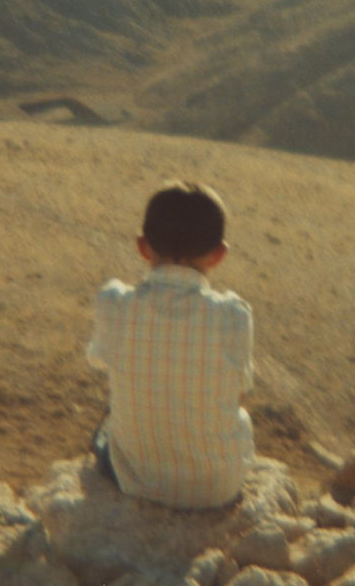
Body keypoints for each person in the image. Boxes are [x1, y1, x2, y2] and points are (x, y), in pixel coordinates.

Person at [86, 181, 254, 509]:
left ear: (142, 247)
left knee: (106, 429)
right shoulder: (233, 315)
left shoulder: (114, 303)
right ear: (219, 254)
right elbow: (239, 389)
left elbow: (97, 360)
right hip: (217, 489)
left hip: (135, 483)